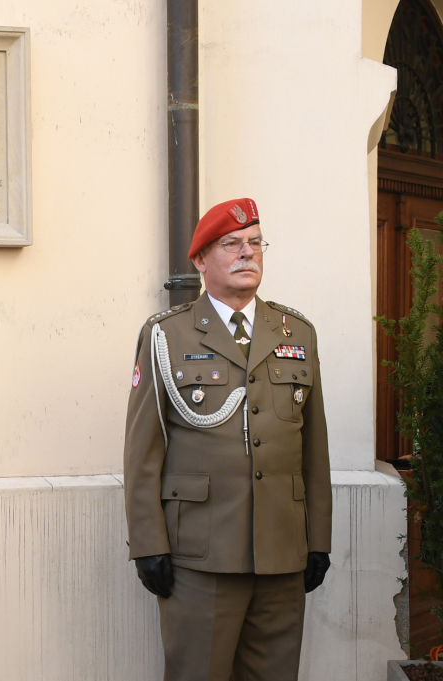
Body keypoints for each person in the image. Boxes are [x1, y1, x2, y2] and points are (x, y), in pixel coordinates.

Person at [122, 198, 332, 680]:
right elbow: (142, 453)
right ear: (200, 260)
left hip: (281, 550)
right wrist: (148, 544)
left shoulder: (296, 331)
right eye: (232, 244)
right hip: (202, 553)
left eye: (255, 243)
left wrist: (316, 539)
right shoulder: (167, 335)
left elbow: (314, 449)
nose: (247, 254)